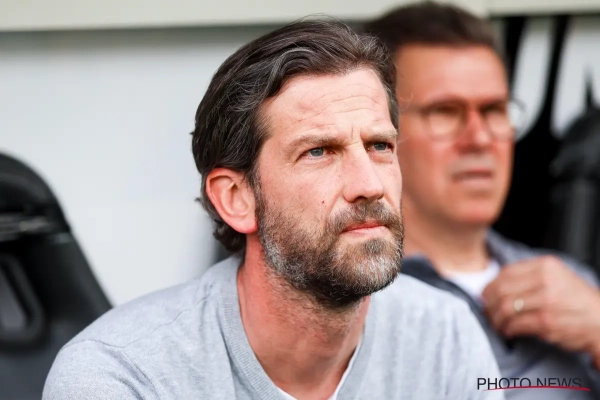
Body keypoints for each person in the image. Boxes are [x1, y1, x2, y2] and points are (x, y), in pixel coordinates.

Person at [41, 18, 504, 400]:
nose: (369, 185)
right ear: (236, 198)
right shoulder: (121, 376)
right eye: (319, 152)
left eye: (379, 146)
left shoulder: (446, 338)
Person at [364, 2, 600, 399]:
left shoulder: (571, 283)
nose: (479, 138)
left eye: (493, 110)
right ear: (379, 135)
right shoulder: (352, 297)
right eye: (445, 112)